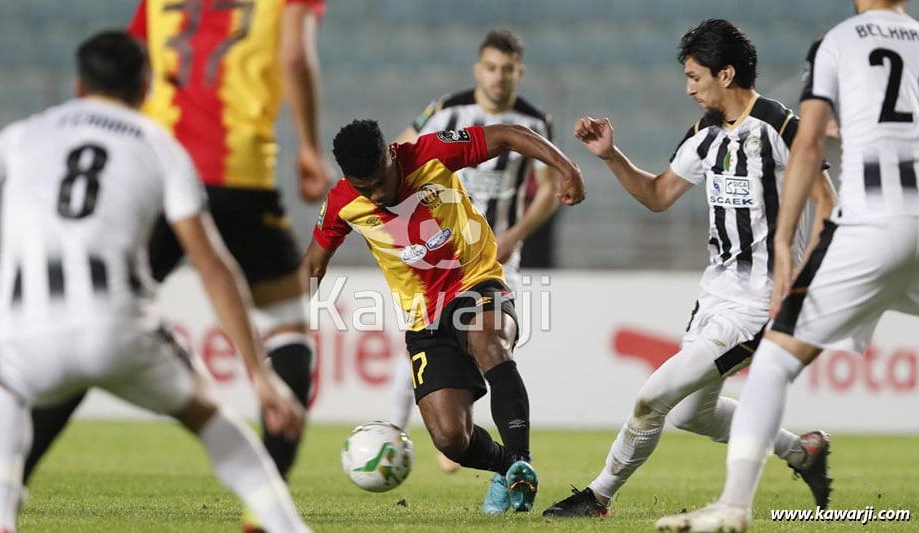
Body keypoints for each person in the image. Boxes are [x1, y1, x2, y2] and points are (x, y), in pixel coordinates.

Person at [0, 31, 308, 532]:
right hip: (120, 328)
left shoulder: (26, 133)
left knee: (5, 387)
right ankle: (286, 525)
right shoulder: (162, 147)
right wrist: (260, 376)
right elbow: (212, 266)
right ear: (146, 88)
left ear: (78, 84)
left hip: (28, 333)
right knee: (209, 417)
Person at [543, 19, 838, 520]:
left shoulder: (781, 126)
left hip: (758, 303)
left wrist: (799, 284)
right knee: (688, 414)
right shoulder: (705, 134)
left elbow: (828, 207)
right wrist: (611, 155)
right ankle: (800, 451)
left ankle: (597, 497)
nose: (689, 88)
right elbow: (658, 195)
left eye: (695, 77)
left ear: (726, 74)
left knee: (652, 397)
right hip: (714, 297)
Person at [657, 2, 919, 531]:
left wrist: (783, 243)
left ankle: (733, 506)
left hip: (870, 224)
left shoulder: (837, 42)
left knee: (773, 363)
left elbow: (807, 147)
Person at [306, 119, 584, 514]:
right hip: (424, 321)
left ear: (390, 152)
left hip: (476, 281)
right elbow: (313, 266)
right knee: (450, 438)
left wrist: (567, 168)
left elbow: (506, 135)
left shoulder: (429, 154)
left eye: (381, 181)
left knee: (491, 343)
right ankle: (506, 467)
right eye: (365, 188)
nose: (378, 194)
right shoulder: (342, 202)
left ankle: (522, 462)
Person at [387, 29, 560, 475]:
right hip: (441, 255)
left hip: (498, 255)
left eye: (507, 69)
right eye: (490, 67)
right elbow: (398, 151)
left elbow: (547, 191)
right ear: (477, 68)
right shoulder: (448, 110)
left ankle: (468, 430)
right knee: (425, 341)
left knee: (493, 342)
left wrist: (516, 234)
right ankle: (397, 429)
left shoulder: (535, 122)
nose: (498, 77)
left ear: (519, 72)